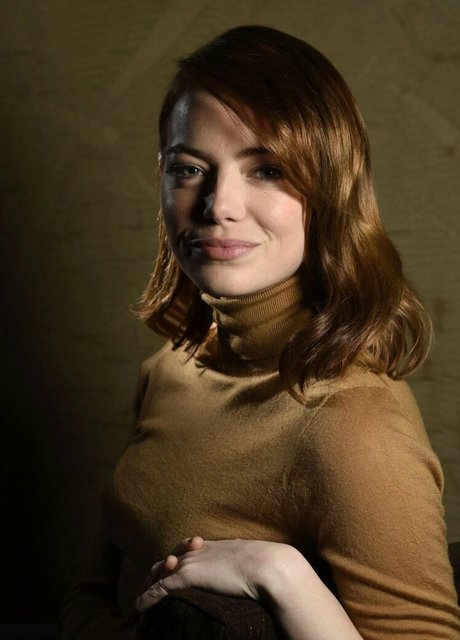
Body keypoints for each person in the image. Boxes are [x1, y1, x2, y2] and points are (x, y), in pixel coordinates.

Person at [59, 25, 460, 639]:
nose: (218, 204)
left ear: (330, 190)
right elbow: (91, 593)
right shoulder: (169, 369)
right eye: (189, 168)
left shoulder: (354, 423)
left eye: (268, 170)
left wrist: (282, 576)